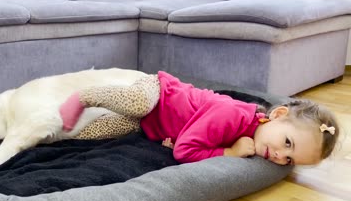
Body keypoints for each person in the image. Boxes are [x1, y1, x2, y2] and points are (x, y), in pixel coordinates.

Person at [59, 71, 339, 165]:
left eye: (289, 160)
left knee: (92, 134)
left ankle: (59, 133)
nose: (279, 157)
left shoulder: (256, 136)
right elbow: (184, 152)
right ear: (277, 115)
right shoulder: (232, 117)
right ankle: (85, 96)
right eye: (287, 143)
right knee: (137, 102)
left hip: (151, 125)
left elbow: (190, 141)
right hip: (158, 93)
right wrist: (228, 153)